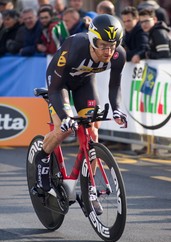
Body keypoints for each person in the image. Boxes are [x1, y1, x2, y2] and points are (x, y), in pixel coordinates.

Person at [35, 14, 127, 215]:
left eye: (112, 45)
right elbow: (55, 87)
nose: (108, 51)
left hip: (84, 84)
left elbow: (115, 85)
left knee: (92, 134)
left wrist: (117, 108)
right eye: (103, 45)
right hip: (60, 86)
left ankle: (88, 189)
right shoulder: (75, 47)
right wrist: (66, 116)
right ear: (93, 40)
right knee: (64, 130)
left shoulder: (118, 55)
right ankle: (42, 158)